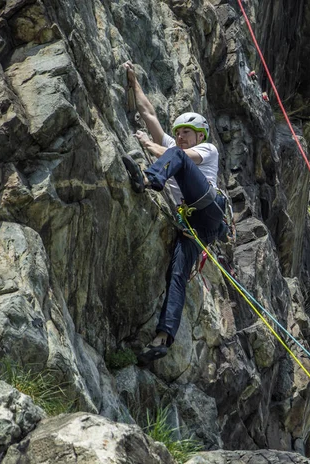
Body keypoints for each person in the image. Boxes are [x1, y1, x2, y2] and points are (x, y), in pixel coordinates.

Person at [123, 61, 229, 364]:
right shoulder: (173, 149)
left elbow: (178, 156)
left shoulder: (207, 150)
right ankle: (162, 338)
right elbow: (149, 115)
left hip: (208, 209)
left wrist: (146, 144)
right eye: (179, 132)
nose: (182, 136)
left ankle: (148, 179)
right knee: (177, 273)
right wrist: (134, 82)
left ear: (199, 136)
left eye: (188, 132)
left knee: (177, 159)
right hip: (193, 226)